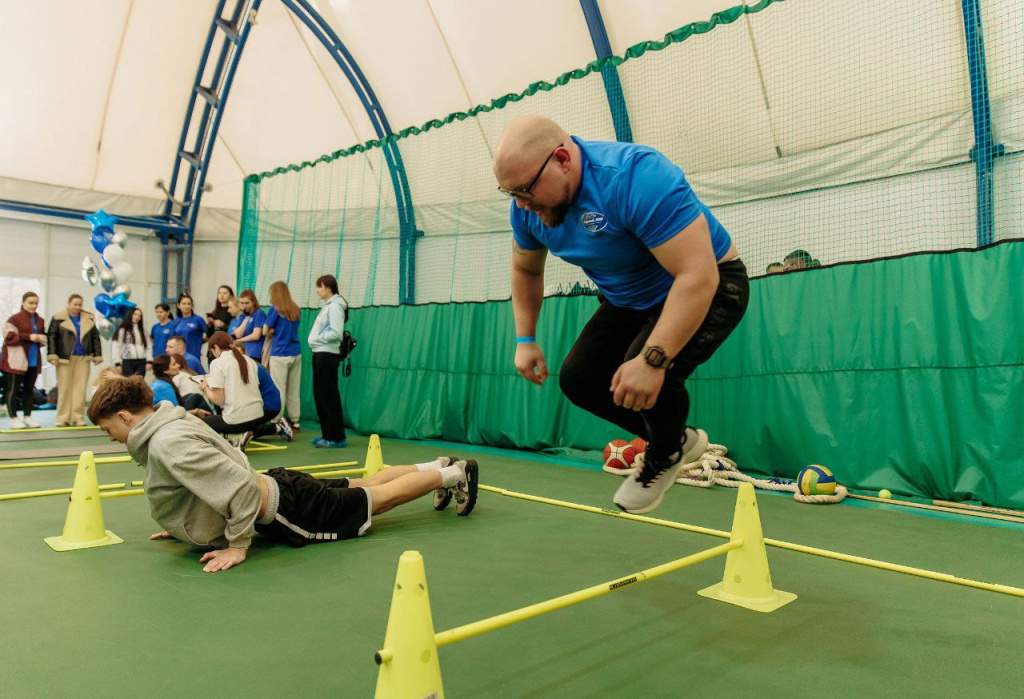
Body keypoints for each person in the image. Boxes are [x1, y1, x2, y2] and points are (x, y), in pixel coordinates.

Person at [493, 116, 749, 515]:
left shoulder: (636, 177)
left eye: (525, 190)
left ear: (562, 159)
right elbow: (526, 269)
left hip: (711, 285)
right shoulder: (526, 208)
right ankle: (678, 439)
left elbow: (698, 277)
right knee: (579, 379)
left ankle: (664, 454)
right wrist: (525, 339)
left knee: (649, 377)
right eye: (510, 193)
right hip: (628, 299)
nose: (522, 204)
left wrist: (652, 359)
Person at [87, 375, 479, 572]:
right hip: (279, 484)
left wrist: (238, 545)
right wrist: (183, 523)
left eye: (109, 430)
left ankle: (455, 474)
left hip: (287, 508)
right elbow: (219, 469)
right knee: (366, 482)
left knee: (378, 498)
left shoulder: (167, 443)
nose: (111, 439)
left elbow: (237, 485)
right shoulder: (173, 423)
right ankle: (438, 465)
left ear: (124, 416)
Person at [197, 331, 282, 447]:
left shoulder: (217, 363)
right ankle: (237, 436)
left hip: (238, 420)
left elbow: (218, 400)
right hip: (258, 417)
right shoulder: (250, 361)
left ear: (215, 347)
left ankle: (234, 437)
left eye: (211, 351)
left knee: (199, 424)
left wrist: (205, 387)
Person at [47, 294, 103, 427]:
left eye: (79, 304)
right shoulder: (58, 318)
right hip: (64, 359)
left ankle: (77, 417)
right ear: (69, 303)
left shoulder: (88, 319)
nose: (77, 307)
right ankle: (62, 418)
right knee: (65, 388)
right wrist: (52, 355)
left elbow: (95, 337)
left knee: (80, 388)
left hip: (83, 358)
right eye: (75, 304)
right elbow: (51, 337)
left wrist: (97, 355)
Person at [308, 274, 348, 448]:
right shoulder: (328, 306)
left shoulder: (335, 307)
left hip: (327, 355)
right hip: (320, 354)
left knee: (328, 395)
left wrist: (317, 339)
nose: (317, 290)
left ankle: (336, 437)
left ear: (328, 288)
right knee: (320, 394)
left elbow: (336, 333)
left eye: (319, 286)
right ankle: (327, 433)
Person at [1, 291, 47, 428]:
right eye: (30, 303)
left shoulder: (40, 320)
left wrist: (40, 338)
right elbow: (9, 337)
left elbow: (43, 337)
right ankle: (13, 418)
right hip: (15, 361)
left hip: (33, 360)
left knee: (29, 390)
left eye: (36, 303)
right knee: (13, 390)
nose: (33, 306)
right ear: (23, 303)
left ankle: (28, 417)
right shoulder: (13, 319)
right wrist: (29, 337)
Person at [263, 280, 302, 430]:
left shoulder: (275, 309)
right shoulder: (296, 309)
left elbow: (266, 330)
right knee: (293, 389)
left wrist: (273, 331)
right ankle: (295, 420)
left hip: (279, 353)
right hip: (296, 352)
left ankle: (277, 420)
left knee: (279, 388)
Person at [112, 308, 151, 378]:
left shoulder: (143, 331)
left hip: (141, 361)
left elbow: (149, 346)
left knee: (139, 384)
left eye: (139, 315)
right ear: (130, 315)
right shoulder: (122, 330)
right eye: (135, 314)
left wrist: (149, 361)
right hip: (127, 361)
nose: (137, 317)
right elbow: (116, 346)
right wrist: (117, 363)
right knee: (128, 384)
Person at [170, 293, 207, 363]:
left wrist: (200, 341)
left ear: (192, 305)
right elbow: (172, 339)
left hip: (193, 356)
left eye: (189, 304)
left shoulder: (198, 320)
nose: (186, 306)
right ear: (178, 305)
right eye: (183, 304)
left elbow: (209, 334)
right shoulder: (176, 321)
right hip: (178, 357)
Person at [233, 289, 266, 363]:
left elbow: (256, 335)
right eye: (242, 303)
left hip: (254, 353)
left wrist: (240, 340)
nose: (244, 306)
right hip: (242, 352)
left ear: (253, 302)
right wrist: (247, 317)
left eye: (247, 303)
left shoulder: (259, 313)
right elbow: (238, 334)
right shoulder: (243, 316)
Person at [206, 285, 234, 365]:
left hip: (225, 347)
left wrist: (223, 325)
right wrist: (209, 324)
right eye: (219, 293)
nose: (221, 295)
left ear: (231, 296)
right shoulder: (214, 312)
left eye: (225, 293)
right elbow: (209, 335)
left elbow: (233, 329)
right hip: (213, 347)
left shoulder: (232, 312)